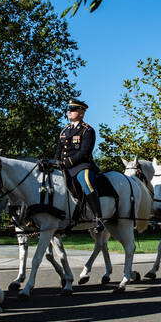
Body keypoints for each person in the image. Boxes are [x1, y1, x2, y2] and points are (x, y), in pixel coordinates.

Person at [57, 98, 105, 233]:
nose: (69, 112)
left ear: (81, 113)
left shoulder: (87, 130)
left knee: (86, 182)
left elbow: (84, 152)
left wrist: (68, 162)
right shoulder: (64, 131)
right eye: (69, 110)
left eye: (72, 110)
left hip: (81, 166)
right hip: (64, 167)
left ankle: (98, 218)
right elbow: (59, 150)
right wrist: (56, 163)